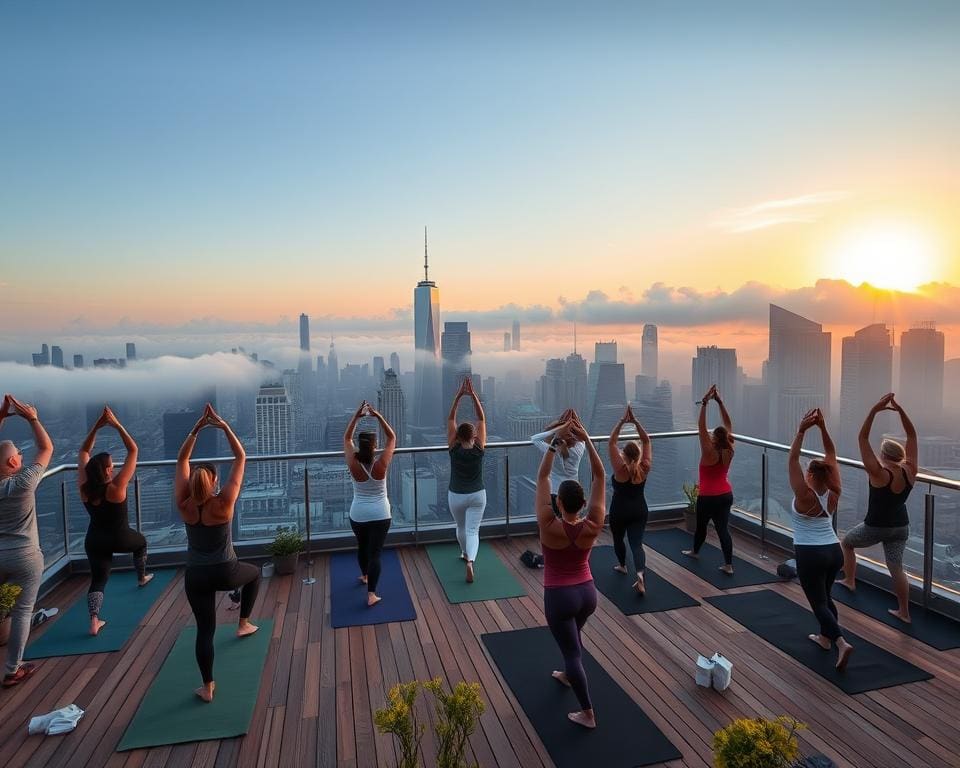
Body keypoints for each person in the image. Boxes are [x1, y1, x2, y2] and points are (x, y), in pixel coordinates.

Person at [175, 404, 260, 703]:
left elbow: (182, 458)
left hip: (195, 576)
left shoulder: (184, 504)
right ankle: (243, 622)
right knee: (255, 574)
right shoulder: (223, 503)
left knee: (205, 631)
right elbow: (241, 457)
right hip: (226, 570)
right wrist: (223, 426)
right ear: (212, 483)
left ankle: (208, 686)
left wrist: (197, 428)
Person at [537, 412, 605, 729]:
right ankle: (567, 673)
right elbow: (601, 478)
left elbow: (542, 479)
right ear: (581, 502)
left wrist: (554, 444)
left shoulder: (549, 526)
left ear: (559, 503)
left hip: (560, 597)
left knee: (572, 653)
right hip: (587, 593)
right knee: (572, 640)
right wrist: (588, 440)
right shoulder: (593, 524)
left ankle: (588, 713)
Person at [839, 393, 918, 623]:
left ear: (883, 455)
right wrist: (901, 411)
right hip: (901, 527)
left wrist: (875, 409)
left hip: (875, 526)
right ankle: (904, 612)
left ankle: (850, 580)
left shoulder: (878, 472)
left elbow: (862, 438)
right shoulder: (910, 470)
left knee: (847, 542)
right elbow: (912, 435)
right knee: (896, 567)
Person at [78, 406, 153, 636]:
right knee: (140, 543)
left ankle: (93, 621)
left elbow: (83, 451)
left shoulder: (85, 488)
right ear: (107, 471)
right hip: (121, 538)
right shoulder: (116, 488)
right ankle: (141, 577)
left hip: (95, 540)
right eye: (112, 465)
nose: (115, 467)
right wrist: (117, 425)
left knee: (99, 579)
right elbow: (133, 450)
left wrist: (96, 428)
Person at [788, 409, 854, 671]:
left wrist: (802, 430)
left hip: (810, 554)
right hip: (833, 551)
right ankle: (825, 639)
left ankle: (840, 642)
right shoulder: (834, 493)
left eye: (807, 471)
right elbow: (832, 455)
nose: (804, 473)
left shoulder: (804, 495)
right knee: (825, 597)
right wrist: (824, 428)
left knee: (818, 604)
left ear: (812, 476)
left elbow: (792, 458)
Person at [0, 395, 53, 688]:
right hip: (25, 556)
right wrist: (32, 417)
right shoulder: (22, 483)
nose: (22, 455)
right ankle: (12, 669)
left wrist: (1, 417)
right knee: (22, 612)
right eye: (19, 453)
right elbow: (46, 448)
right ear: (12, 462)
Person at [344, 400, 396, 607]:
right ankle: (371, 594)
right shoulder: (381, 464)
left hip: (358, 514)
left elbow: (347, 437)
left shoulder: (353, 463)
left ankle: (365, 575)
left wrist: (357, 416)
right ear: (375, 446)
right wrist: (379, 416)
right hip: (381, 514)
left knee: (362, 546)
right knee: (375, 553)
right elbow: (392, 437)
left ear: (360, 445)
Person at [683, 385, 736, 574]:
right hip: (725, 494)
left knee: (701, 527)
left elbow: (701, 427)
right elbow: (728, 424)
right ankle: (729, 565)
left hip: (708, 496)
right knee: (723, 530)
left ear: (714, 437)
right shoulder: (729, 448)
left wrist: (705, 403)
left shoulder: (708, 451)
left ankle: (695, 552)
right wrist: (719, 402)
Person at [608, 404, 652, 594]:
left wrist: (621, 422)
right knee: (636, 544)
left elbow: (611, 442)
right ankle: (640, 574)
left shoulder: (620, 469)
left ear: (623, 455)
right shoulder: (645, 466)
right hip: (640, 510)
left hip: (619, 510)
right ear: (639, 454)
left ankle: (622, 566)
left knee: (618, 539)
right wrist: (635, 422)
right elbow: (647, 440)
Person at [447, 377, 486, 583]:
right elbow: (482, 420)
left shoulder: (453, 449)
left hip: (456, 494)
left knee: (461, 527)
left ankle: (464, 553)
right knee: (473, 530)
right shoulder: (479, 449)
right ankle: (470, 560)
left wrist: (458, 397)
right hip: (477, 494)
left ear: (457, 436)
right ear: (474, 436)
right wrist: (473, 396)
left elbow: (450, 419)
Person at [531, 409, 585, 516]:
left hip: (556, 492)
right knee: (571, 520)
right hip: (573, 490)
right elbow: (584, 437)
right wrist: (575, 424)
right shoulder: (579, 448)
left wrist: (558, 428)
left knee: (556, 522)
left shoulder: (551, 451)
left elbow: (535, 439)